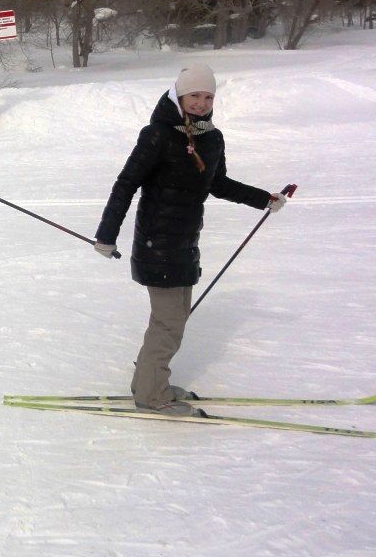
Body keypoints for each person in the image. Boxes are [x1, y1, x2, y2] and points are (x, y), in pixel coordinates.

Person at [92, 64, 287, 416]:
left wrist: (263, 198)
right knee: (168, 322)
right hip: (157, 242)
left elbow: (218, 183)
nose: (201, 102)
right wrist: (106, 235)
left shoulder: (212, 138)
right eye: (194, 95)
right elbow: (126, 184)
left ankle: (149, 381)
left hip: (185, 242)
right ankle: (151, 395)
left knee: (175, 319)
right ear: (179, 96)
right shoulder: (158, 134)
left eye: (208, 96)